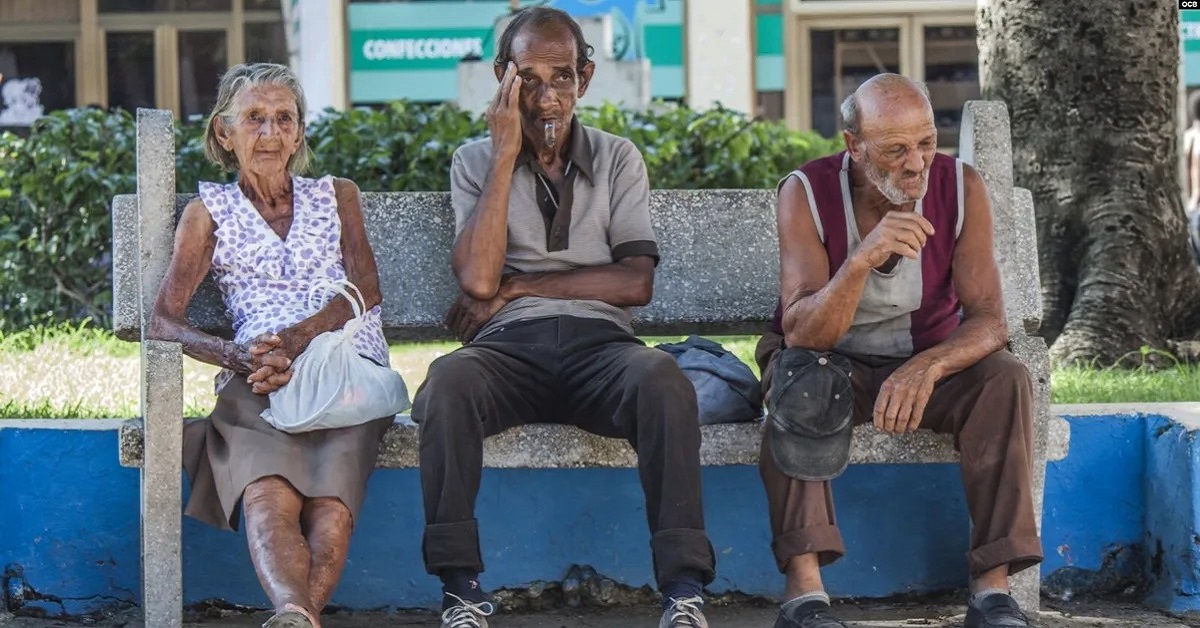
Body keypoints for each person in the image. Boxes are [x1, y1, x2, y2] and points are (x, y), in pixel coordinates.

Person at [411, 7, 716, 628]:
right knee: (448, 382)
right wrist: (503, 157)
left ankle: (684, 589)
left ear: (586, 78)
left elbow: (635, 281)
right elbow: (475, 280)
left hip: (601, 348)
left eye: (562, 77)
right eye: (527, 78)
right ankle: (460, 588)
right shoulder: (474, 161)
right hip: (506, 352)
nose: (546, 97)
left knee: (663, 380)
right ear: (501, 77)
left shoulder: (617, 158)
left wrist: (517, 285)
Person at [756, 74, 1041, 628]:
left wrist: (927, 366)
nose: (916, 163)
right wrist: (860, 260)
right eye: (894, 150)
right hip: (827, 358)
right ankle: (806, 595)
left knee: (1005, 379)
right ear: (853, 146)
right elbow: (803, 333)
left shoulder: (962, 187)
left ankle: (992, 591)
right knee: (800, 382)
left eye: (927, 142)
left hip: (924, 361)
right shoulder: (806, 192)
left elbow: (989, 319)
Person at [148, 62, 398, 628]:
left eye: (284, 119)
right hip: (260, 375)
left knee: (331, 502)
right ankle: (295, 614)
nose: (270, 133)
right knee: (266, 495)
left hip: (345, 368)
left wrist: (300, 337)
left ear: (300, 132)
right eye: (254, 118)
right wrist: (235, 356)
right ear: (223, 133)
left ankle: (293, 615)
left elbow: (365, 287)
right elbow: (164, 320)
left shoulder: (338, 195)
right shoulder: (208, 213)